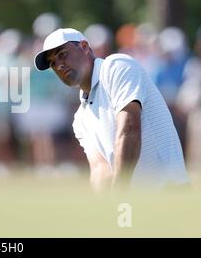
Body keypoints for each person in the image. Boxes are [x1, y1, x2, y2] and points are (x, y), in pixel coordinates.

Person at [34, 28, 190, 192]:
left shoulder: (116, 66)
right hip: (136, 204)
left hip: (170, 192)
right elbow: (100, 170)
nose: (58, 65)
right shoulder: (80, 118)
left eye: (62, 54)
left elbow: (129, 129)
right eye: (52, 63)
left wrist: (119, 192)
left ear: (85, 47)